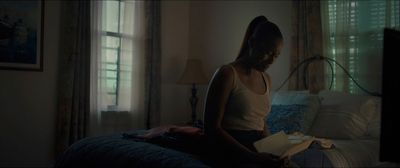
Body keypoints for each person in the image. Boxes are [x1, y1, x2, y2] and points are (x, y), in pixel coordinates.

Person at [202, 15, 289, 167]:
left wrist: (274, 152)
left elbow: (261, 123)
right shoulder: (227, 73)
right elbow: (212, 128)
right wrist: (252, 156)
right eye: (267, 52)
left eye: (276, 55)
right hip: (231, 148)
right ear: (252, 43)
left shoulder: (266, 79)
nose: (271, 60)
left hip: (256, 147)